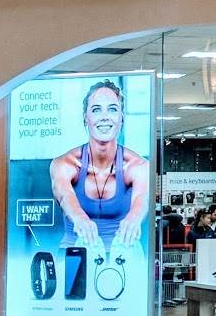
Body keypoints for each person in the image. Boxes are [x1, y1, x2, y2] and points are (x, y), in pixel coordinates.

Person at [49, 80, 150, 248]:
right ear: (85, 118)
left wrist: (134, 218)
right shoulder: (64, 164)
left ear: (121, 118)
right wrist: (80, 218)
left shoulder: (138, 166)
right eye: (96, 110)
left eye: (112, 109)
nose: (104, 117)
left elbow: (142, 199)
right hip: (76, 252)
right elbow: (64, 196)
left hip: (122, 255)